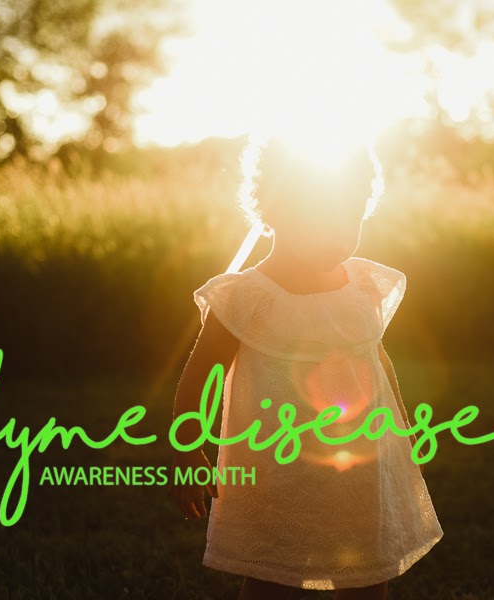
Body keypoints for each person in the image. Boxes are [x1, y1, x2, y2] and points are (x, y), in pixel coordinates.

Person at [169, 135, 443, 600]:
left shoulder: (361, 286)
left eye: (351, 216)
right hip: (278, 471)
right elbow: (197, 378)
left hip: (361, 464)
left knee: (367, 570)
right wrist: (184, 451)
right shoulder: (246, 297)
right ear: (274, 212)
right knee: (272, 575)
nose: (339, 232)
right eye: (321, 218)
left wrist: (401, 425)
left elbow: (374, 355)